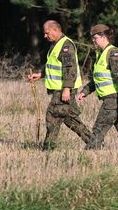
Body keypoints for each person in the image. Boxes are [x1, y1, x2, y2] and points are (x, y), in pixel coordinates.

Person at [28, 20, 92, 150]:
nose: (45, 36)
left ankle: (48, 148)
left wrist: (66, 89)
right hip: (60, 88)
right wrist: (41, 74)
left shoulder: (66, 45)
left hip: (63, 89)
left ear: (55, 30)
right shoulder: (55, 44)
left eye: (47, 33)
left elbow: (70, 69)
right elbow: (54, 64)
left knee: (53, 115)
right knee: (70, 119)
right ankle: (94, 142)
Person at [78, 24, 118, 150]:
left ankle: (90, 154)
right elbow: (98, 80)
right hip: (111, 98)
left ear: (103, 36)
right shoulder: (100, 54)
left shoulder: (113, 53)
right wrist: (84, 92)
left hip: (113, 98)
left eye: (95, 38)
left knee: (99, 128)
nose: (93, 41)